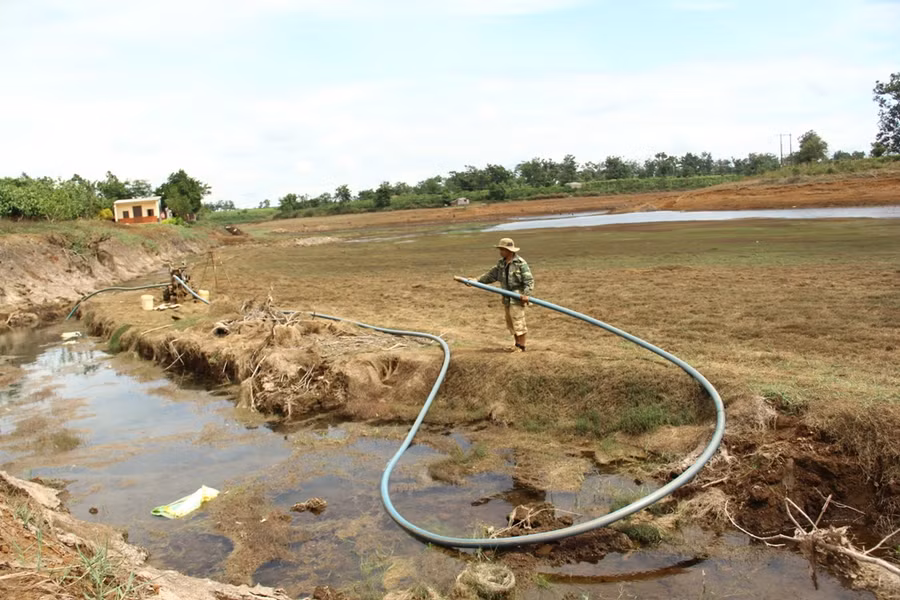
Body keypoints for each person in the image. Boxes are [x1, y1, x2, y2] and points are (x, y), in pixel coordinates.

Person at [467, 237, 534, 352]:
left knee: (518, 322)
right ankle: (516, 345)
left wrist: (526, 294)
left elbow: (529, 281)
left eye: (502, 249)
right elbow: (490, 275)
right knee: (511, 322)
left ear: (509, 251)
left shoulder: (521, 264)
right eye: (500, 249)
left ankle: (521, 347)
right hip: (506, 298)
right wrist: (476, 281)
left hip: (517, 298)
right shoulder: (501, 264)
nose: (500, 252)